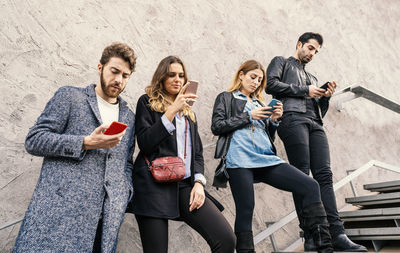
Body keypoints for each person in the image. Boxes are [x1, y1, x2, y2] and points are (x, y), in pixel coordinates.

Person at [13, 42, 137, 253]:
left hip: (105, 222)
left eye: (125, 76)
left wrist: (124, 192)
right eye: (114, 71)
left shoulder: (129, 116)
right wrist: (85, 143)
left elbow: (126, 162)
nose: (118, 80)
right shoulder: (70, 97)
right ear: (100, 68)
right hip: (59, 215)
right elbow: (34, 140)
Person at [211, 60, 334, 253]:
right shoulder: (226, 97)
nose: (256, 83)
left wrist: (274, 121)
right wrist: (250, 116)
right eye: (253, 77)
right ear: (241, 75)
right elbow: (217, 126)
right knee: (245, 210)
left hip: (266, 158)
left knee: (310, 185)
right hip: (240, 159)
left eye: (260, 80)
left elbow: (266, 135)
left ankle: (321, 245)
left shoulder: (260, 103)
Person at [266, 32, 367, 252]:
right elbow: (270, 85)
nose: (312, 54)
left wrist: (326, 96)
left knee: (324, 175)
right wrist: (305, 91)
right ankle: (311, 234)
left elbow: (319, 110)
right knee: (301, 175)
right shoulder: (281, 62)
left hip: (315, 124)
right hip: (291, 120)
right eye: (310, 48)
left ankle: (337, 233)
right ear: (299, 44)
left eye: (316, 52)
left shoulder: (312, 79)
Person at [126, 55, 235, 253]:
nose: (177, 79)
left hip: (184, 185)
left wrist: (199, 184)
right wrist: (172, 110)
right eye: (171, 75)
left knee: (226, 239)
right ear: (161, 78)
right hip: (153, 184)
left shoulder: (188, 113)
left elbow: (198, 154)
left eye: (181, 75)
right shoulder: (147, 102)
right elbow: (145, 143)